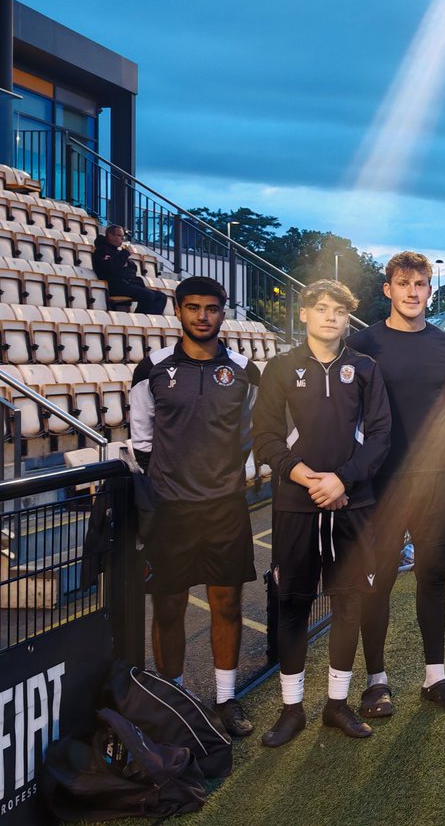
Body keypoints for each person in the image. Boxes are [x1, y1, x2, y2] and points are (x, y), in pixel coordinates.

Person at [253, 279, 391, 746]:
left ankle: (337, 703)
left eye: (339, 310)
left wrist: (342, 480)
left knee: (349, 600)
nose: (330, 317)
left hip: (352, 503)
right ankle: (292, 709)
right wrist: (305, 478)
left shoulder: (365, 368)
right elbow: (265, 438)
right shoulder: (279, 367)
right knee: (291, 601)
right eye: (322, 308)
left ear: (346, 318)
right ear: (305, 314)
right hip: (296, 505)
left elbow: (379, 438)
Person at [130, 276, 257, 737]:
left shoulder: (244, 369)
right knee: (168, 607)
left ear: (224, 312)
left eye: (212, 308)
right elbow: (141, 439)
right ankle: (175, 700)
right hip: (170, 510)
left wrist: (228, 475)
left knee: (227, 603)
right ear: (178, 312)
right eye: (193, 307)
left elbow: (249, 431)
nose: (203, 316)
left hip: (225, 506)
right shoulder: (152, 368)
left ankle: (226, 698)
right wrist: (169, 482)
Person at [346, 251, 445, 714]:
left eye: (420, 284)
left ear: (429, 291)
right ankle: (377, 682)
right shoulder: (362, 345)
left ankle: (434, 676)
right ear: (388, 290)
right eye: (404, 283)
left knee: (432, 576)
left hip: (434, 479)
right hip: (379, 483)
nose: (412, 292)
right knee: (375, 582)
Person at [92, 224, 167, 314]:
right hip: (114, 285)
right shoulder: (101, 251)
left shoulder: (117, 252)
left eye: (123, 236)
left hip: (127, 283)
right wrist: (125, 255)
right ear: (110, 236)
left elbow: (132, 269)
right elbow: (111, 267)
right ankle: (139, 321)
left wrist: (124, 262)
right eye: (119, 235)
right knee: (148, 295)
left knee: (161, 296)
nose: (122, 238)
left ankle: (150, 320)